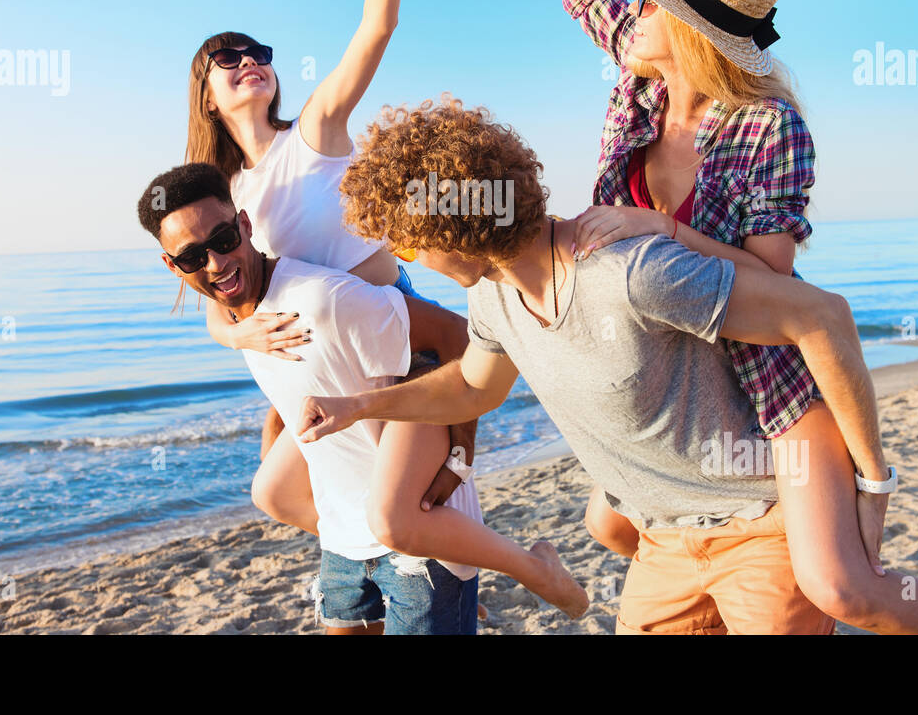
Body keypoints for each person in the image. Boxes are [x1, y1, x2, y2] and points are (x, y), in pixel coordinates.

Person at [458, 0, 918, 634]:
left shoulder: (769, 127)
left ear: (688, 31)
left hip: (764, 393)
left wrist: (658, 227)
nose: (634, 10)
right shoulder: (639, 77)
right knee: (609, 524)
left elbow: (778, 289)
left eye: (651, 3)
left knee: (843, 586)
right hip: (667, 383)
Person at [298, 98, 918, 634]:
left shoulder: (628, 271)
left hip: (760, 526)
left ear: (453, 227)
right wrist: (360, 406)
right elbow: (474, 385)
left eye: (410, 239)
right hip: (662, 545)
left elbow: (819, 315)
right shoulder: (494, 300)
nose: (408, 257)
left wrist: (872, 476)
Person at [137, 163, 588, 633]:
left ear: (245, 227)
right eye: (192, 257)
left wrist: (461, 452)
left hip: (417, 538)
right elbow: (297, 383)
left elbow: (457, 335)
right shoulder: (237, 320)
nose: (215, 264)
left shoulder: (323, 299)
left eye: (225, 241)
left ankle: (519, 570)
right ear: (173, 266)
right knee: (269, 492)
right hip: (342, 544)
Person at [183, 0, 468, 546]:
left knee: (417, 513)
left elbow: (377, 27)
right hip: (309, 367)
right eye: (228, 57)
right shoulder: (222, 199)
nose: (249, 60)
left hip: (390, 332)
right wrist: (231, 331)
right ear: (207, 95)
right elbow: (216, 300)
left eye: (258, 53)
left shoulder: (314, 131)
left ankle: (443, 552)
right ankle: (387, 550)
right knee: (275, 490)